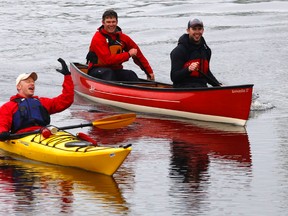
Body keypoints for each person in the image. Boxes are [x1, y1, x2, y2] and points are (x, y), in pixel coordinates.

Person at [0, 58, 74, 141]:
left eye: (33, 82)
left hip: (44, 134)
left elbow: (66, 100)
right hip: (22, 138)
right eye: (28, 81)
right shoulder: (8, 106)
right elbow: (2, 124)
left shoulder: (42, 102)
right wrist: (2, 133)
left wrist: (67, 76)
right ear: (19, 86)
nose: (32, 83)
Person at [86, 9, 155, 82]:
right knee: (108, 73)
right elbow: (107, 60)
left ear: (117, 22)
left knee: (131, 74)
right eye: (108, 22)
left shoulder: (123, 38)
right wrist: (128, 54)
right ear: (103, 23)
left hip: (115, 70)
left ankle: (137, 91)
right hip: (97, 70)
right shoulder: (98, 38)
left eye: (113, 22)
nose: (111, 24)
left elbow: (138, 54)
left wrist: (149, 72)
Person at [170, 18, 221, 88]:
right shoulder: (178, 51)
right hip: (183, 88)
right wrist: (188, 69)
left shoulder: (206, 50)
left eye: (199, 29)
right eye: (194, 29)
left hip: (202, 88)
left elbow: (206, 73)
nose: (197, 32)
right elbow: (174, 77)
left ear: (203, 30)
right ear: (188, 31)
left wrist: (218, 85)